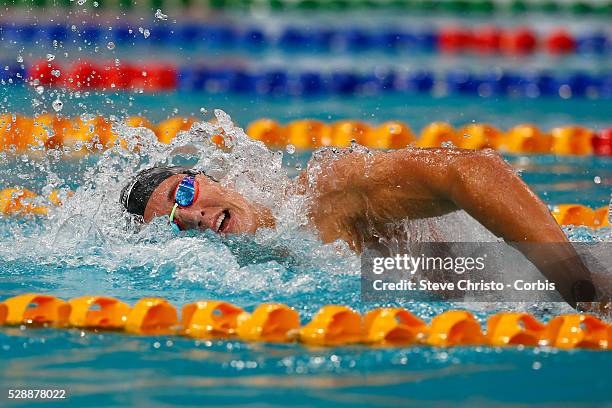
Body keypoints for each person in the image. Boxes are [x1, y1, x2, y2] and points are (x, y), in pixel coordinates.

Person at [121, 146, 600, 308]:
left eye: (183, 194)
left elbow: (472, 170)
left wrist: (581, 287)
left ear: (209, 177)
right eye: (174, 227)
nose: (190, 216)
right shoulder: (261, 272)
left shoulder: (324, 195)